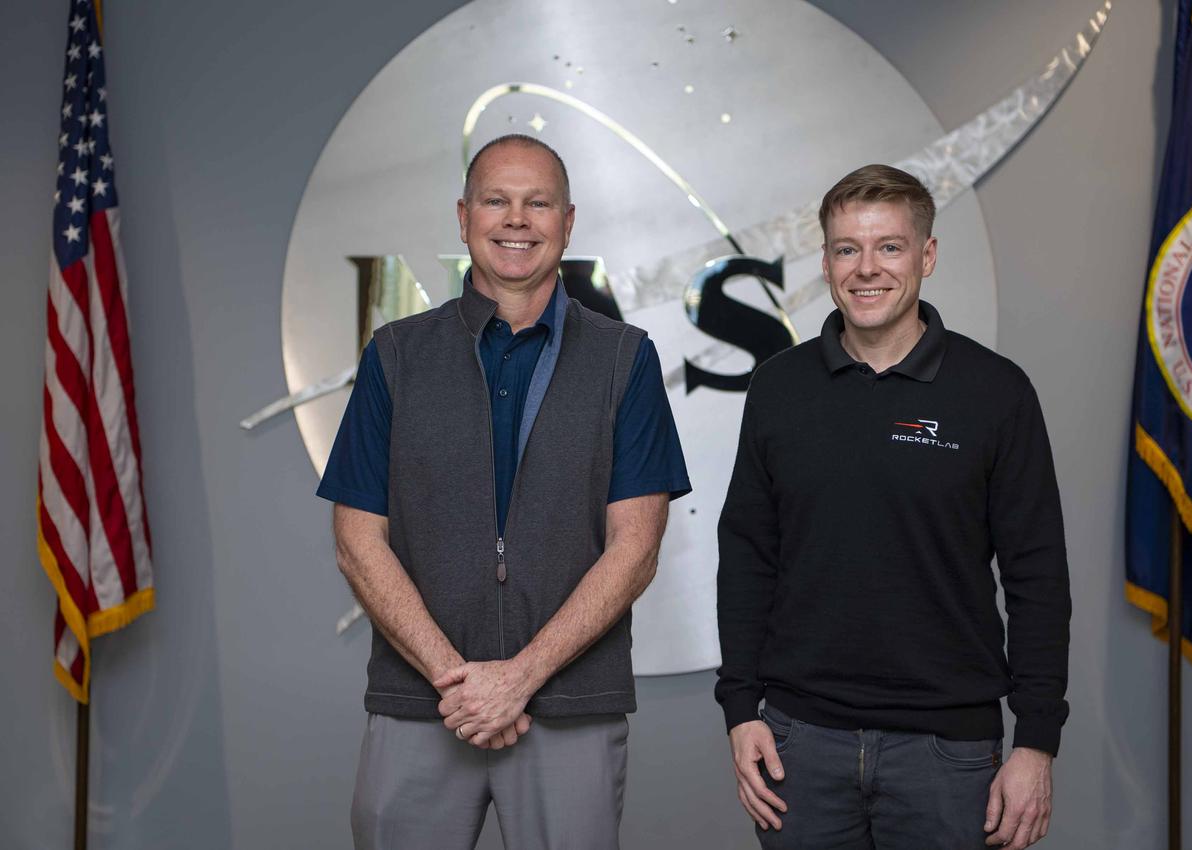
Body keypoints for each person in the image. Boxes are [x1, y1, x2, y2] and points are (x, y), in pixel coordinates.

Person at [318, 134, 690, 850]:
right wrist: (457, 682)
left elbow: (636, 549)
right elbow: (357, 542)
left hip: (569, 707)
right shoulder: (395, 354)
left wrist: (520, 678)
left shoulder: (625, 358)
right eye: (497, 200)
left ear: (569, 222)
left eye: (537, 202)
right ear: (464, 217)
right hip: (422, 704)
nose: (517, 219)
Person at [715, 164, 1070, 850]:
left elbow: (1038, 578)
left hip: (948, 754)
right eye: (847, 248)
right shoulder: (779, 388)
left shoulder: (996, 393)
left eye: (890, 246)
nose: (866, 268)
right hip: (799, 745)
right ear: (825, 262)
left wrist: (1036, 742)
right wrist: (740, 709)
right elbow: (747, 559)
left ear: (927, 256)